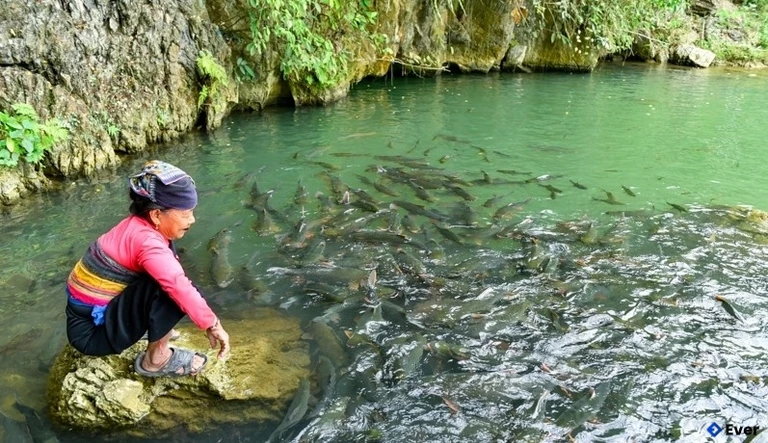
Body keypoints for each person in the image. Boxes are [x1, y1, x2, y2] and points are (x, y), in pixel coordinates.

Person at [65, 160, 230, 377]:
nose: (193, 219)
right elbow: (177, 285)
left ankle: (153, 334)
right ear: (156, 215)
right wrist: (213, 324)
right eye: (185, 213)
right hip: (90, 335)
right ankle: (156, 360)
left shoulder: (135, 225)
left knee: (171, 277)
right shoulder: (147, 243)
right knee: (171, 289)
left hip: (86, 319)